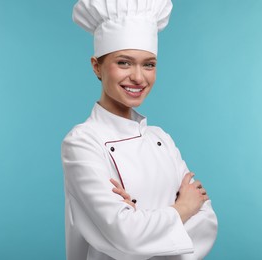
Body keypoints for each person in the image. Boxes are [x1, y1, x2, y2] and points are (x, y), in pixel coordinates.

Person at [61, 0, 218, 259]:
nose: (138, 77)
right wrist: (181, 209)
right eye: (124, 63)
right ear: (96, 66)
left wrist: (138, 220)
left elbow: (206, 221)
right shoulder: (81, 143)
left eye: (149, 64)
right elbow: (124, 235)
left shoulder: (162, 139)